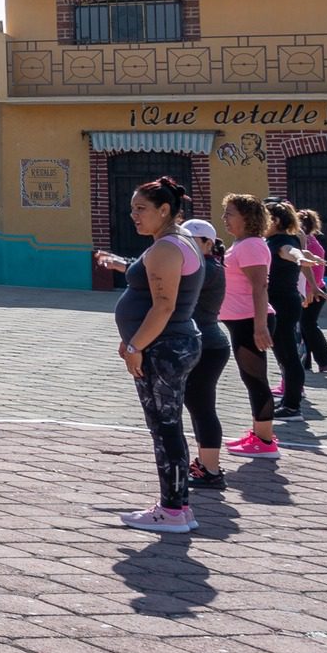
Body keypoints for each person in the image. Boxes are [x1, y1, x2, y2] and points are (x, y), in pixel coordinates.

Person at [102, 176, 205, 533]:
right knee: (167, 426)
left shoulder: (166, 248)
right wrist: (130, 337)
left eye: (141, 209)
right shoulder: (177, 241)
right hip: (167, 343)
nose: (134, 215)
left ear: (165, 210)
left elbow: (163, 305)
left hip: (165, 347)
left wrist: (136, 345)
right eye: (132, 209)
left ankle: (173, 509)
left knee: (165, 428)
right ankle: (177, 507)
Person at [215, 194, 280, 461]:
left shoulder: (251, 245)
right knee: (250, 378)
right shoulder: (242, 244)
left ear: (247, 217)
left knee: (255, 379)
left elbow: (260, 286)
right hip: (241, 320)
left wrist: (260, 326)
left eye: (229, 213)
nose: (225, 219)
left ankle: (265, 441)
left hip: (249, 321)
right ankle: (259, 432)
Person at [180, 219, 232, 490]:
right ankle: (205, 464)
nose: (185, 245)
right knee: (199, 406)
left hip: (209, 346)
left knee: (202, 408)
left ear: (208, 243)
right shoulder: (205, 266)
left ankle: (211, 470)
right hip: (209, 344)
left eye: (192, 240)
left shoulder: (206, 269)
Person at [265, 200, 308, 419]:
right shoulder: (271, 240)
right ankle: (289, 401)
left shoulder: (283, 240)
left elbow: (290, 252)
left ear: (277, 220)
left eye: (265, 216)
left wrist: (301, 257)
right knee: (284, 354)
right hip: (281, 302)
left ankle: (292, 406)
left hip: (283, 303)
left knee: (288, 355)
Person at [298, 207, 327, 373]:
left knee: (308, 325)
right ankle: (305, 361)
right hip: (312, 289)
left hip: (313, 291)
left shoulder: (309, 245)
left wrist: (309, 291)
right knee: (305, 326)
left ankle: (326, 359)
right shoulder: (310, 242)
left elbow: (315, 271)